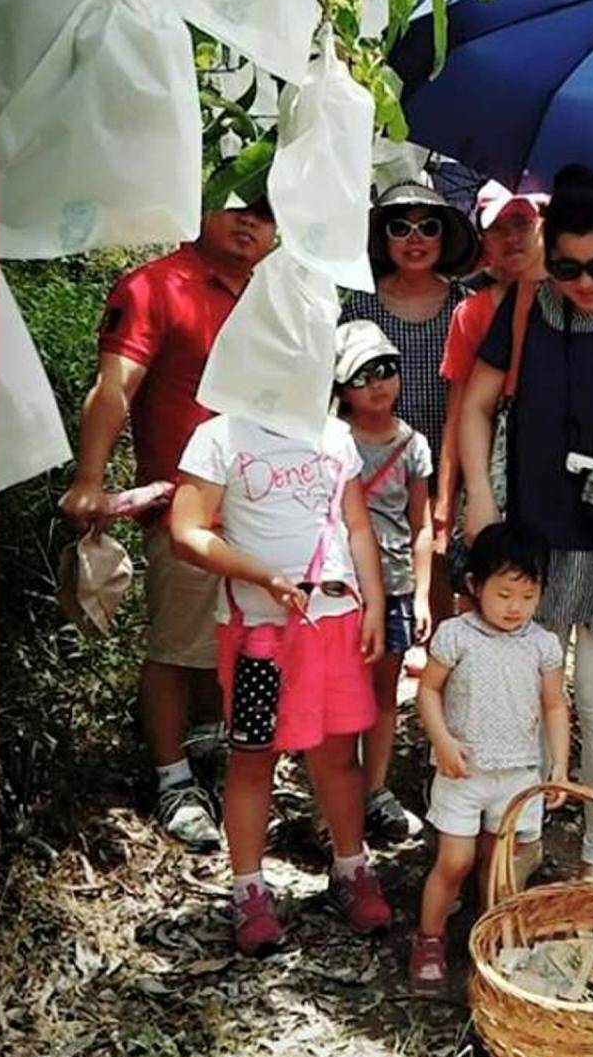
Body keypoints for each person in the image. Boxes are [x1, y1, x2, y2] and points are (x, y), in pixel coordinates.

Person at [460, 164, 593, 882]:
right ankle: (518, 845)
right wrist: (480, 502)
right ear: (547, 253)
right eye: (567, 266)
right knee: (526, 691)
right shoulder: (525, 306)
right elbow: (478, 403)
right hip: (539, 528)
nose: (584, 283)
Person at [58, 198, 277, 852]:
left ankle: (211, 751)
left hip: (267, 504)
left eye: (266, 213)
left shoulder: (279, 292)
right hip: (187, 505)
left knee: (237, 637)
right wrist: (91, 478)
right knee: (179, 645)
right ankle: (172, 778)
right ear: (202, 209)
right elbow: (115, 386)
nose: (249, 223)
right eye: (236, 207)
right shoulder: (158, 286)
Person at [168, 404, 395, 954]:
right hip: (257, 632)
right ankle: (248, 889)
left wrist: (374, 602)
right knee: (252, 755)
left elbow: (356, 525)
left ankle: (350, 867)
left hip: (333, 621)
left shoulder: (333, 433)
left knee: (339, 752)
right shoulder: (218, 435)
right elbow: (186, 531)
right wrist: (259, 575)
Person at [408, 522, 571, 989]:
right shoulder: (457, 635)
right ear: (475, 587)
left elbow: (556, 705)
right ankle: (430, 937)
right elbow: (428, 691)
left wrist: (557, 764)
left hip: (519, 773)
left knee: (501, 866)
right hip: (464, 771)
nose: (515, 608)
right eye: (503, 595)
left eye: (527, 595)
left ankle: (493, 937)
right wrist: (442, 741)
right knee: (454, 860)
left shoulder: (542, 644)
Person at [342, 182, 480, 622]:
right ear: (383, 238)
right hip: (372, 461)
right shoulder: (360, 304)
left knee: (438, 566)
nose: (414, 239)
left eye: (428, 227)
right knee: (370, 561)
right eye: (400, 228)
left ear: (446, 237)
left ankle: (436, 662)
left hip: (446, 457)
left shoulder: (465, 306)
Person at [333, 321, 435, 843]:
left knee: (382, 694)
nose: (379, 383)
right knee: (338, 695)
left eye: (387, 369)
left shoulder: (413, 445)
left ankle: (375, 790)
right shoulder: (331, 441)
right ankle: (333, 795)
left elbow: (421, 523)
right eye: (363, 374)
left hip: (394, 585)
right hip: (340, 589)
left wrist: (420, 594)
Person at [436, 181, 547, 605]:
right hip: (494, 457)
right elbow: (460, 411)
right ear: (484, 239)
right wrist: (446, 501)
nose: (512, 237)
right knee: (483, 590)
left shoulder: (577, 290)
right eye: (498, 228)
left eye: (521, 223)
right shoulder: (473, 311)